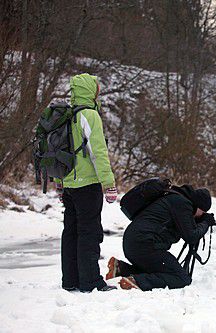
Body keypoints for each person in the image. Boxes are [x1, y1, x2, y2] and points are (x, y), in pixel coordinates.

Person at [55, 73, 118, 292]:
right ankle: (90, 282)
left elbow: (58, 151)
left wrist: (59, 182)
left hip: (69, 185)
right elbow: (98, 152)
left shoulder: (65, 114)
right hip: (87, 184)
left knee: (70, 232)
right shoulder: (89, 115)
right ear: (91, 92)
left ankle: (70, 281)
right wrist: (108, 183)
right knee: (89, 233)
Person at [106, 185, 216, 291]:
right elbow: (191, 236)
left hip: (135, 243)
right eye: (203, 211)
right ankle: (136, 281)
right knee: (181, 278)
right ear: (198, 205)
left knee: (163, 270)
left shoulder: (175, 198)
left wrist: (199, 222)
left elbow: (186, 228)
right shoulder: (182, 204)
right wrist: (205, 222)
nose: (202, 215)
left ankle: (120, 268)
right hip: (145, 245)